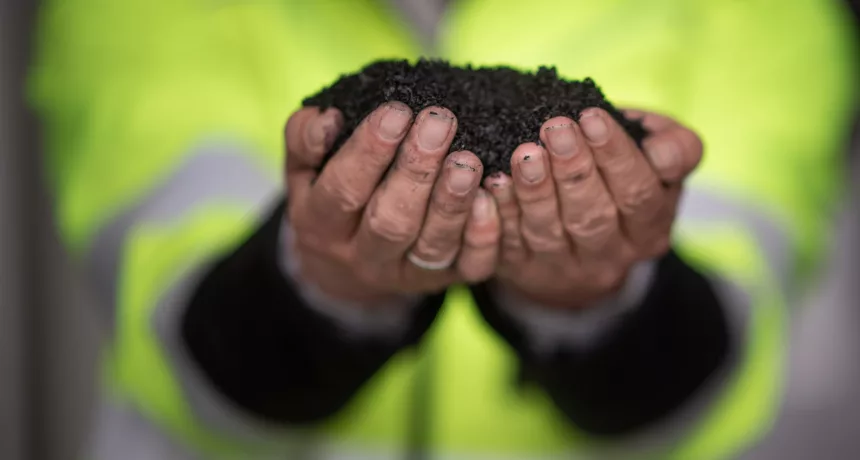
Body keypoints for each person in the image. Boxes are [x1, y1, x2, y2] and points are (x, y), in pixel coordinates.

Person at [28, 0, 857, 459]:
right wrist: (322, 284)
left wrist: (598, 299)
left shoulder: (761, 17)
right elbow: (168, 308)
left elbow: (724, 342)